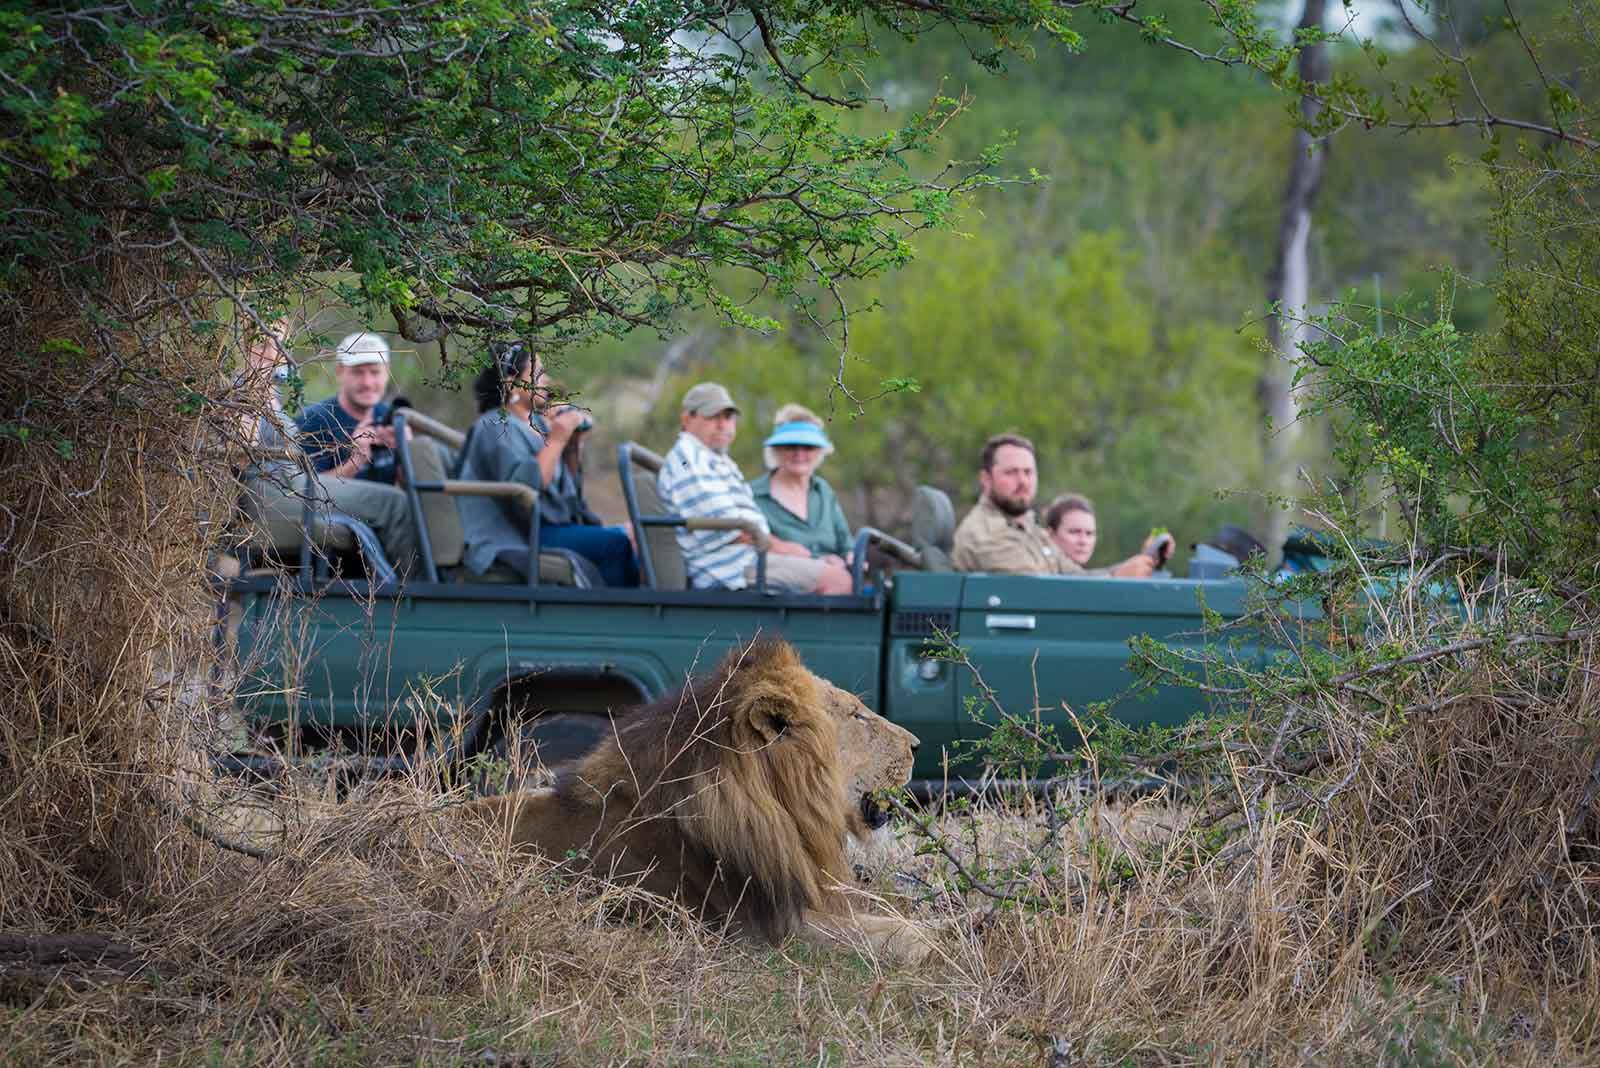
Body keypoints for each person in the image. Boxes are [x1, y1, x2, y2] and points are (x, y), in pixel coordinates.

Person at [237, 322, 420, 578]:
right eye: (260, 344)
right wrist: (356, 457)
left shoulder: (270, 391)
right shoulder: (242, 392)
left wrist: (407, 452)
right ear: (243, 347)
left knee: (399, 501)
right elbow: (238, 455)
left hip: (292, 486)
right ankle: (418, 598)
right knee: (393, 504)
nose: (270, 353)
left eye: (277, 344)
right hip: (278, 491)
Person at [456, 341, 639, 587]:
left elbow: (565, 491)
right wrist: (557, 439)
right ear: (511, 384)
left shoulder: (537, 425)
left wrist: (572, 444)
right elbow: (526, 488)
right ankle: (615, 617)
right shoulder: (495, 426)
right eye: (537, 373)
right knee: (616, 544)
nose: (546, 380)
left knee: (634, 535)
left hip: (549, 526)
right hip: (516, 532)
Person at [657, 383, 852, 594]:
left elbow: (845, 543)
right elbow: (738, 531)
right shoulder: (688, 460)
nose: (723, 425)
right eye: (713, 416)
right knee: (838, 581)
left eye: (728, 417)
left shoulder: (715, 461)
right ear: (687, 420)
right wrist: (797, 553)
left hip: (748, 559)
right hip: (729, 568)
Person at [950, 433, 1169, 577]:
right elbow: (1043, 593)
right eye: (1011, 472)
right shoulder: (987, 534)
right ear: (986, 479)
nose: (1023, 482)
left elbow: (1074, 577)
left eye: (1028, 472)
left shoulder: (1027, 528)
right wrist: (1117, 577)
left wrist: (1141, 564)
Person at [750, 404, 853, 569]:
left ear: (820, 451)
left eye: (808, 446)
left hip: (838, 583)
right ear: (776, 450)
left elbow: (847, 545)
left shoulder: (823, 491)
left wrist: (851, 559)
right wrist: (816, 562)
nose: (799, 453)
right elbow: (753, 548)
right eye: (791, 446)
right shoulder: (753, 495)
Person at [295, 331, 403, 484]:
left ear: (387, 372)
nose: (367, 382)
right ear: (340, 371)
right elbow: (306, 494)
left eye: (375, 372)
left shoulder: (392, 417)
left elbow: (411, 491)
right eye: (358, 373)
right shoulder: (314, 421)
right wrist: (358, 459)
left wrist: (407, 450)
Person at [1043, 493, 1174, 578]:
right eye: (1074, 532)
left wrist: (1150, 555)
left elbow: (1084, 577)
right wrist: (1117, 575)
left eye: (1089, 534)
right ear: (1050, 535)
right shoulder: (1044, 569)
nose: (1083, 541)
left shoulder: (1078, 573)